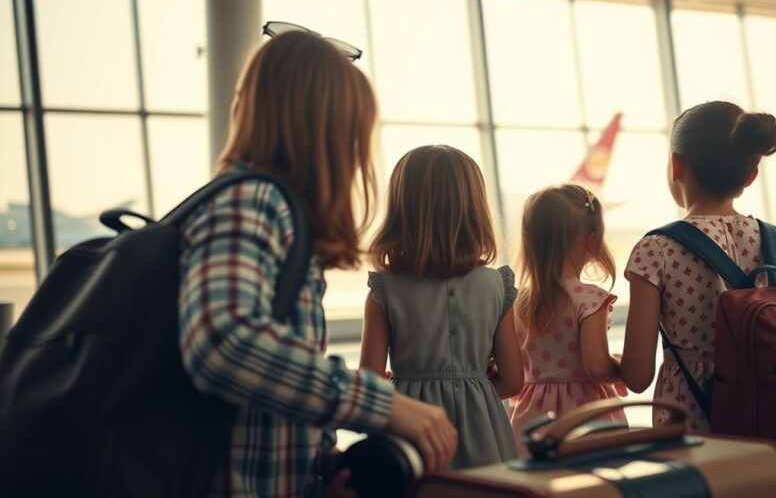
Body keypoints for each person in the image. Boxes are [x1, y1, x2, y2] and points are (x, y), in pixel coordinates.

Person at [178, 31, 457, 497]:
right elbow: (223, 340)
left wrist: (318, 460)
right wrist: (384, 406)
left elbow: (266, 385)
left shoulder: (276, 214)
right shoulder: (255, 201)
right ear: (324, 129)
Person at [618, 101, 776, 430]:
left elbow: (637, 376)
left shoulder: (657, 251)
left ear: (676, 166)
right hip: (770, 421)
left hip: (689, 428)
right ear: (751, 175)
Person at [360, 145, 522, 469]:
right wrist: (475, 384)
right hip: (484, 431)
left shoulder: (384, 290)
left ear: (401, 212)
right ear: (475, 211)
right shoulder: (495, 285)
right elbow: (514, 381)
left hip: (411, 433)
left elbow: (369, 386)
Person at [509, 185, 626, 457]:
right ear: (592, 241)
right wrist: (619, 367)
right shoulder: (589, 300)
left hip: (530, 416)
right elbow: (596, 367)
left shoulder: (518, 303)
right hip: (584, 416)